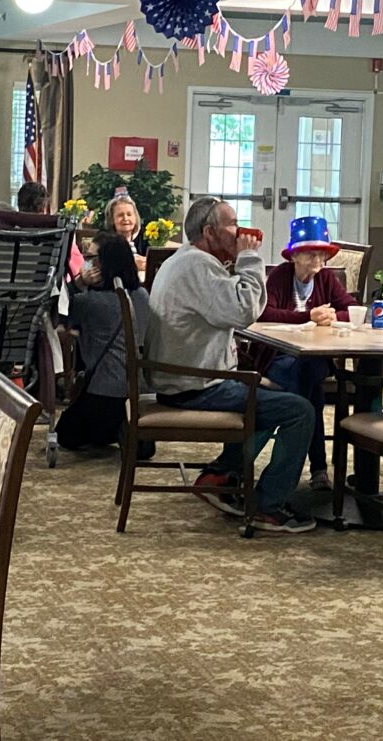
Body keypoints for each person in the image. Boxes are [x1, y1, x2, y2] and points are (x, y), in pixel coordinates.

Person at [145, 196, 316, 535]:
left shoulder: (185, 260)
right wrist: (250, 258)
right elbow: (242, 311)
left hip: (179, 378)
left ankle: (222, 474)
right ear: (209, 232)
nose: (241, 232)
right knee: (299, 410)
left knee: (271, 397)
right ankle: (267, 507)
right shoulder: (198, 265)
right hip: (193, 386)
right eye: (233, 225)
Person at [251, 216, 355, 491]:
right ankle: (318, 468)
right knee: (311, 395)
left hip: (316, 358)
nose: (318, 260)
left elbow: (352, 308)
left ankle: (241, 464)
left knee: (307, 380)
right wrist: (306, 316)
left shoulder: (327, 279)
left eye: (322, 253)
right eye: (311, 253)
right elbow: (265, 313)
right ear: (295, 255)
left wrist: (333, 315)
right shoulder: (280, 277)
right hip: (279, 356)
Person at [56, 232, 151, 454]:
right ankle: (127, 429)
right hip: (138, 388)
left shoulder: (92, 302)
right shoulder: (141, 294)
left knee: (66, 434)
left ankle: (115, 428)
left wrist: (79, 281)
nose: (87, 261)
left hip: (105, 388)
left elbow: (59, 310)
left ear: (101, 264)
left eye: (90, 257)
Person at [17, 179, 84, 277]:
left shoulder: (6, 233)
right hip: (44, 287)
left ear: (19, 204)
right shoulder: (57, 232)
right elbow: (79, 268)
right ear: (43, 207)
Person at [105, 194, 147, 273]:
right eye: (120, 215)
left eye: (129, 214)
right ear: (112, 219)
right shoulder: (105, 241)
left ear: (135, 217)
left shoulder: (145, 237)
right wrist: (131, 263)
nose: (125, 218)